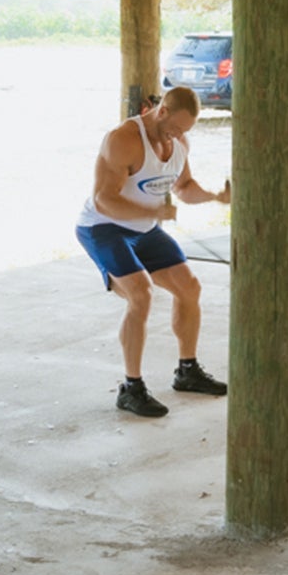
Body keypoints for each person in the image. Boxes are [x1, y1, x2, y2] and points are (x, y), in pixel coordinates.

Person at [75, 86, 231, 418]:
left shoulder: (179, 143)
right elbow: (105, 198)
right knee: (141, 294)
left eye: (184, 132)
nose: (178, 136)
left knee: (190, 288)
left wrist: (216, 196)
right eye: (175, 128)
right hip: (103, 228)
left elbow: (184, 188)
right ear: (161, 112)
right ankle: (131, 388)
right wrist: (152, 213)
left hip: (144, 230)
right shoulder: (123, 139)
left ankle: (187, 371)